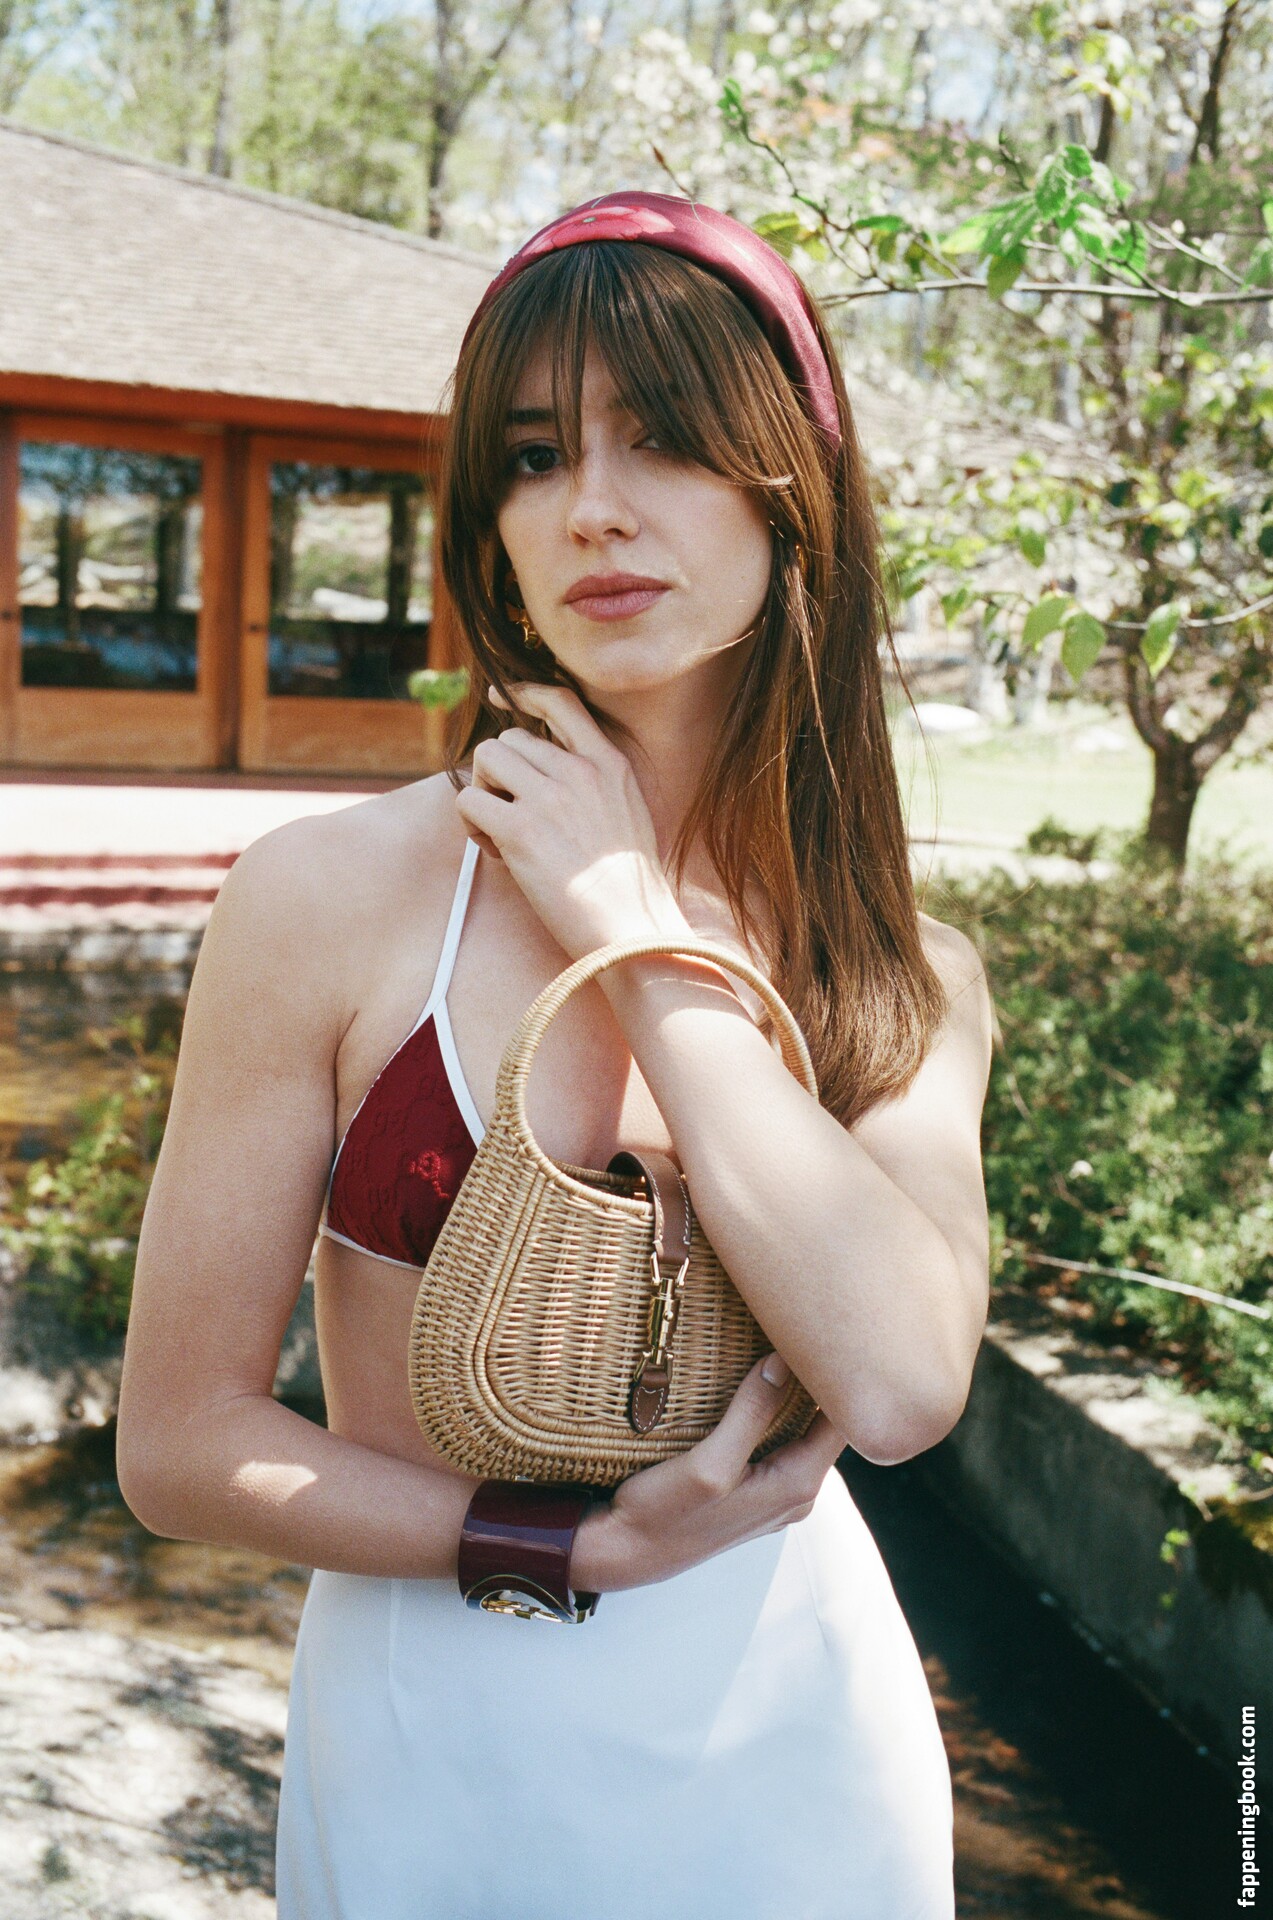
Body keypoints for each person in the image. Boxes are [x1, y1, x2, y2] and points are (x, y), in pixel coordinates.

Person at [116, 190, 993, 1920]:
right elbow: (180, 1440)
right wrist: (576, 1546)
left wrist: (630, 923)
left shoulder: (897, 967)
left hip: (796, 1724)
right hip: (443, 1714)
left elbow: (899, 1387)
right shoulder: (328, 899)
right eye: (530, 457)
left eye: (663, 434)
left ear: (792, 487)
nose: (591, 504)